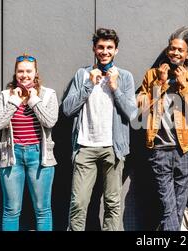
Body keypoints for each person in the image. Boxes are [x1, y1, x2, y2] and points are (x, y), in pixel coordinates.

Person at [63, 28, 137, 231]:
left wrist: (115, 88)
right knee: (78, 203)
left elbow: (132, 114)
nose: (105, 51)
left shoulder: (125, 77)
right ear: (94, 49)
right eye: (101, 47)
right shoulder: (82, 74)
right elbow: (68, 109)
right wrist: (88, 84)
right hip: (85, 147)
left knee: (112, 204)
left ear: (116, 50)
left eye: (109, 48)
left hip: (113, 149)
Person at [137, 26, 188, 231]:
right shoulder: (152, 76)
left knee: (179, 202)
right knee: (168, 205)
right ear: (168, 51)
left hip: (185, 150)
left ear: (187, 54)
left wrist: (184, 86)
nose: (175, 53)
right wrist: (160, 83)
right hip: (159, 148)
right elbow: (140, 110)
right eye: (172, 48)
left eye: (180, 50)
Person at [0, 54, 58, 231]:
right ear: (15, 73)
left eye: (28, 71)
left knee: (42, 210)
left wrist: (34, 99)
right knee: (11, 210)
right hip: (12, 156)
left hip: (39, 156)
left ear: (35, 72)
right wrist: (15, 101)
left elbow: (50, 121)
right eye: (20, 71)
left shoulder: (48, 94)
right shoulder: (6, 96)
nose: (24, 75)